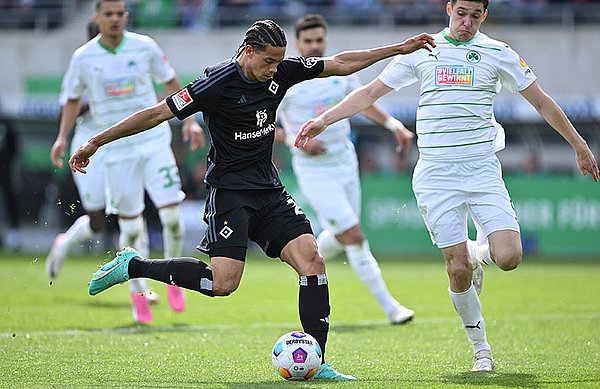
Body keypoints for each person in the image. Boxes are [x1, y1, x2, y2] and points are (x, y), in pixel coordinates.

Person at [69, 19, 435, 379]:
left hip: (269, 190)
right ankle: (134, 267)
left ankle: (318, 361)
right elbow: (155, 114)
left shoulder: (281, 72)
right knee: (223, 284)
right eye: (268, 61)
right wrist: (95, 141)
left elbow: (340, 63)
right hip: (230, 193)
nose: (275, 69)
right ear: (248, 51)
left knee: (313, 261)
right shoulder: (215, 84)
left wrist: (398, 48)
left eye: (279, 62)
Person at [295, 0, 599, 372]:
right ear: (448, 9)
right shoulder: (424, 52)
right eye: (461, 13)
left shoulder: (498, 53)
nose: (466, 22)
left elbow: (541, 101)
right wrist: (324, 120)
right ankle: (481, 350)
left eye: (475, 16)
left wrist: (579, 144)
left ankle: (477, 255)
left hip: (483, 170)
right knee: (456, 270)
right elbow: (370, 93)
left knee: (509, 256)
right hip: (436, 176)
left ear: (484, 16)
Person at [53, 0, 204, 323]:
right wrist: (62, 138)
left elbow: (171, 81)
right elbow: (71, 99)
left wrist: (190, 121)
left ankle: (174, 279)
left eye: (119, 13)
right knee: (132, 229)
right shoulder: (84, 58)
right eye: (107, 14)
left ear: (126, 16)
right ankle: (139, 293)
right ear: (97, 17)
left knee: (173, 219)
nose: (114, 19)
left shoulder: (145, 47)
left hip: (153, 142)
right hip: (116, 152)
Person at [276, 14, 415, 325]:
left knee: (342, 235)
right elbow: (266, 124)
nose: (314, 46)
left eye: (319, 40)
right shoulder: (287, 81)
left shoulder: (339, 75)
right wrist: (295, 142)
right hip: (314, 169)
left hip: (345, 162)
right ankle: (391, 307)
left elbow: (364, 102)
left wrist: (394, 126)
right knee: (353, 235)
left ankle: (312, 254)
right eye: (308, 42)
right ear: (298, 44)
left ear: (326, 40)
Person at [0, 108, 21, 251]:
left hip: (4, 170)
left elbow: (14, 147)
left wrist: (7, 163)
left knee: (9, 198)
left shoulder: (6, 124)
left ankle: (14, 232)